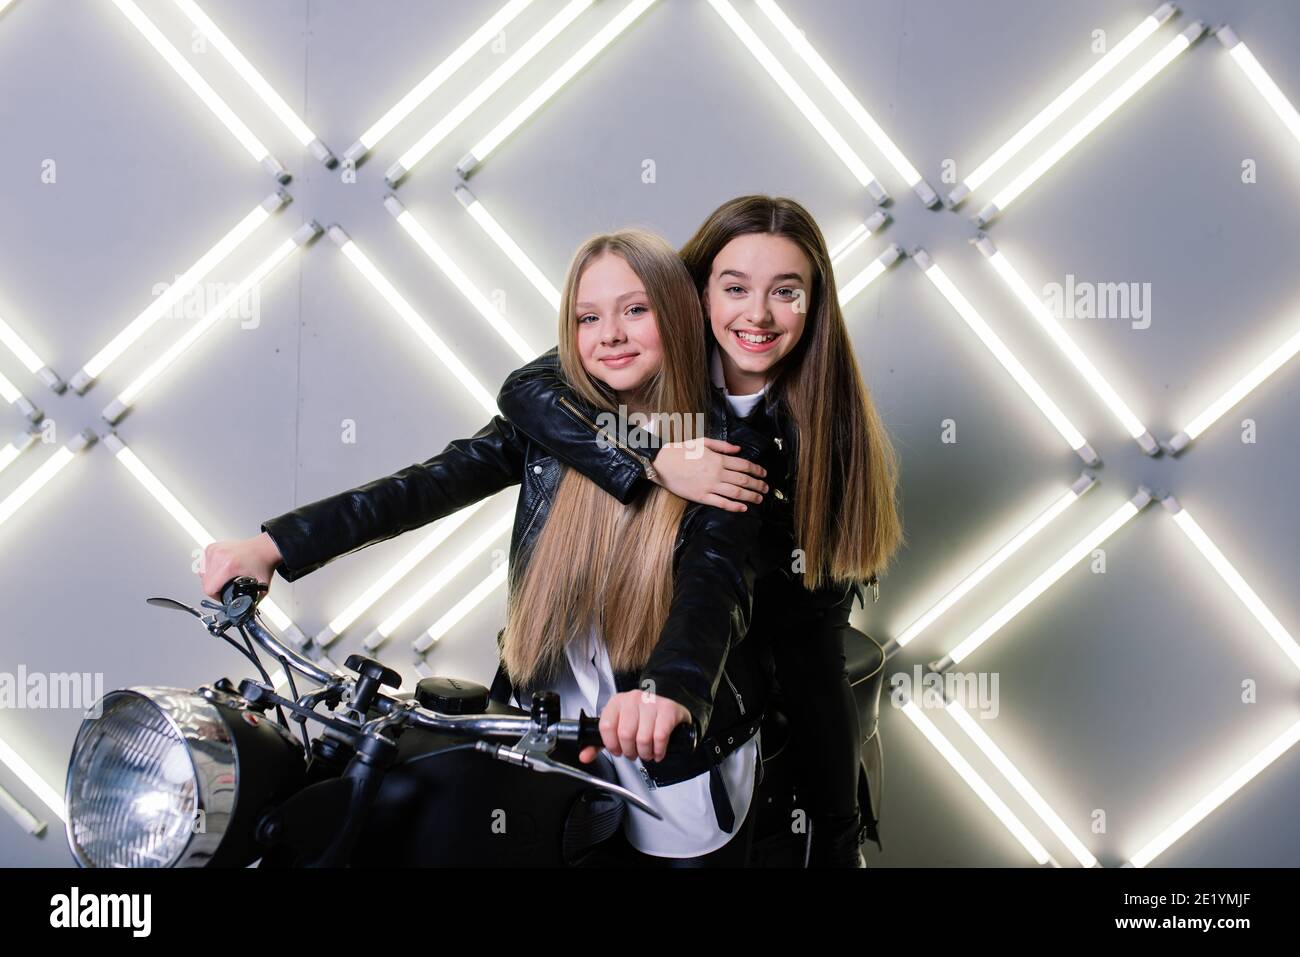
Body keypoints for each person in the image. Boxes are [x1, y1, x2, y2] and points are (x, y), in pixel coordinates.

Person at [199, 228, 782, 865]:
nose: (610, 334)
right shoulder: (553, 427)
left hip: (665, 750)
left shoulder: (725, 449)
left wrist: (670, 691)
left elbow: (715, 585)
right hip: (544, 726)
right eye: (589, 317)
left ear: (677, 311)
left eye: (635, 309)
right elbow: (425, 485)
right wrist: (273, 546)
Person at [494, 195, 903, 866]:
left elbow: (757, 610)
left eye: (787, 292)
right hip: (643, 648)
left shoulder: (813, 438)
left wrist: (837, 832)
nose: (758, 314)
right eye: (736, 287)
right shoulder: (650, 361)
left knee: (811, 674)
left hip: (757, 636)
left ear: (814, 305)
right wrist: (653, 453)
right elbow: (527, 390)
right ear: (695, 293)